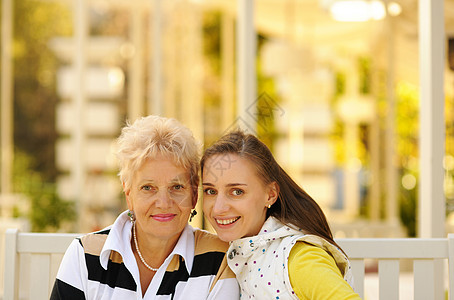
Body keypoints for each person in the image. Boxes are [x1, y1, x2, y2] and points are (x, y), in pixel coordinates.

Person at [51, 115, 239, 300]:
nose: (164, 203)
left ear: (194, 194)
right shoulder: (84, 255)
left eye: (177, 187)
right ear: (129, 194)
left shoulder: (219, 258)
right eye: (148, 188)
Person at [201, 130, 361, 300]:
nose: (218, 208)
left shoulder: (299, 258)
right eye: (210, 191)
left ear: (270, 194)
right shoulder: (238, 253)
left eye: (237, 191)